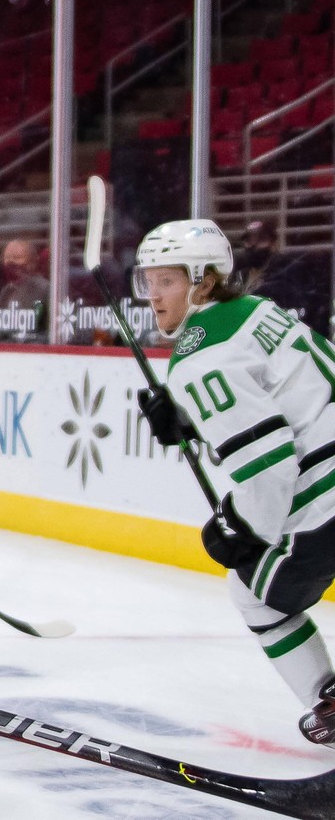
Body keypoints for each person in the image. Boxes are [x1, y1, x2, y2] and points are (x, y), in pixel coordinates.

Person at [135, 218, 335, 748]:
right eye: (148, 281)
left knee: (255, 593)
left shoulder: (199, 354)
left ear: (203, 281)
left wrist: (245, 527)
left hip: (329, 495)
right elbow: (286, 396)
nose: (154, 296)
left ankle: (331, 704)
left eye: (168, 281)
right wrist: (189, 420)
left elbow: (270, 465)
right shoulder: (254, 311)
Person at [0, 237, 48, 341]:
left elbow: (52, 334)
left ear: (32, 262)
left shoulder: (45, 289)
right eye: (7, 257)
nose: (10, 262)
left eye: (17, 257)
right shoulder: (7, 290)